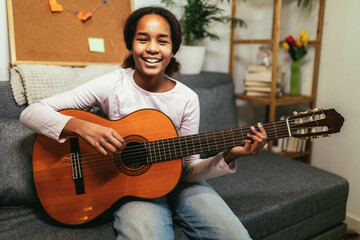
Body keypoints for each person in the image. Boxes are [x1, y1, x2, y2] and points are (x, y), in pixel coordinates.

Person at [20, 6, 267, 240]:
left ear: (173, 49)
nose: (152, 48)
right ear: (131, 45)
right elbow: (32, 113)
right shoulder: (113, 84)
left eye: (162, 40)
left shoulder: (187, 99)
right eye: (142, 39)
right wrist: (84, 128)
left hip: (182, 188)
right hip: (133, 190)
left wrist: (229, 156)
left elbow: (189, 170)